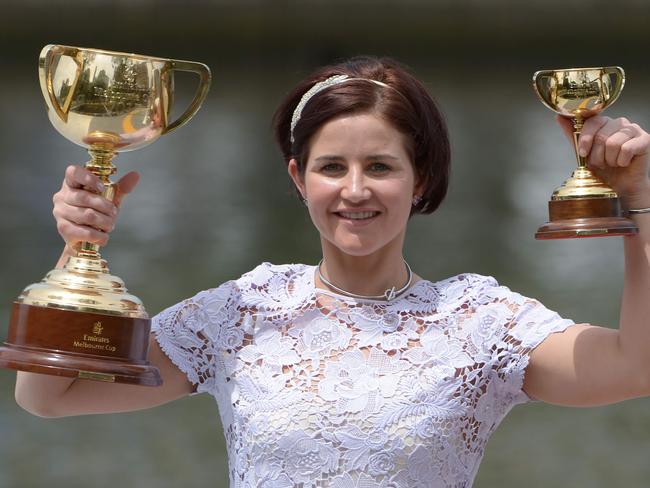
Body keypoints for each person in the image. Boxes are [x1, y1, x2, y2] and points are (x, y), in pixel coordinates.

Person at [13, 56, 650, 487]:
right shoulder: (242, 308)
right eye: (330, 167)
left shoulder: (481, 321)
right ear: (298, 177)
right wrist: (79, 252)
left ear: (419, 178)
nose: (354, 191)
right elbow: (48, 397)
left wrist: (638, 202)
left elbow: (635, 367)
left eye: (380, 166)